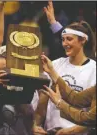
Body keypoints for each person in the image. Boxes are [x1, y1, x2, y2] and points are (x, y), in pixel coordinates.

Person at [33, 1, 96, 135]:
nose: (64, 44)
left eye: (69, 39)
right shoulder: (55, 64)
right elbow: (44, 101)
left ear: (83, 40)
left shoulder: (94, 70)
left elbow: (92, 117)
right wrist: (36, 124)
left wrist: (71, 131)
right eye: (63, 40)